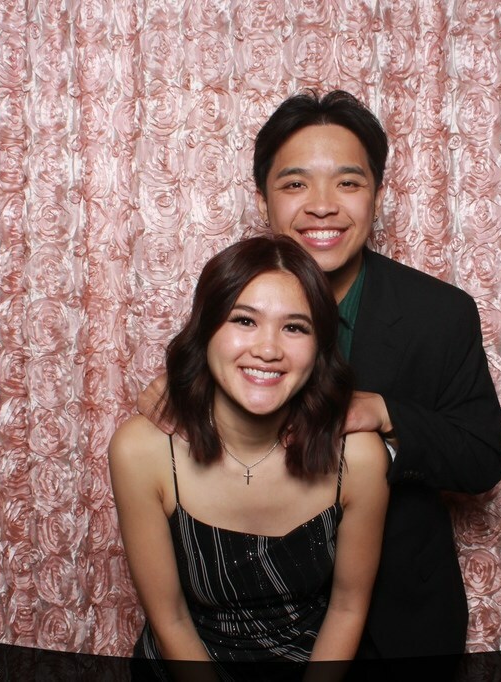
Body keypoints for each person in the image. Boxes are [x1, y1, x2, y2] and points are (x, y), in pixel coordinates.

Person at [141, 90, 501, 669]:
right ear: (262, 199)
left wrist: (385, 414)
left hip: (394, 626)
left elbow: (482, 459)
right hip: (244, 628)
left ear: (378, 197)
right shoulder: (231, 295)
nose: (322, 206)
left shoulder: (440, 313)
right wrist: (178, 391)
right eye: (295, 184)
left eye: (348, 183)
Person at [110, 236, 390, 680]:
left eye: (294, 328)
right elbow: (171, 620)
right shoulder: (142, 451)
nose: (267, 349)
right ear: (205, 331)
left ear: (319, 347)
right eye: (244, 320)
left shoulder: (359, 457)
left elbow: (348, 608)